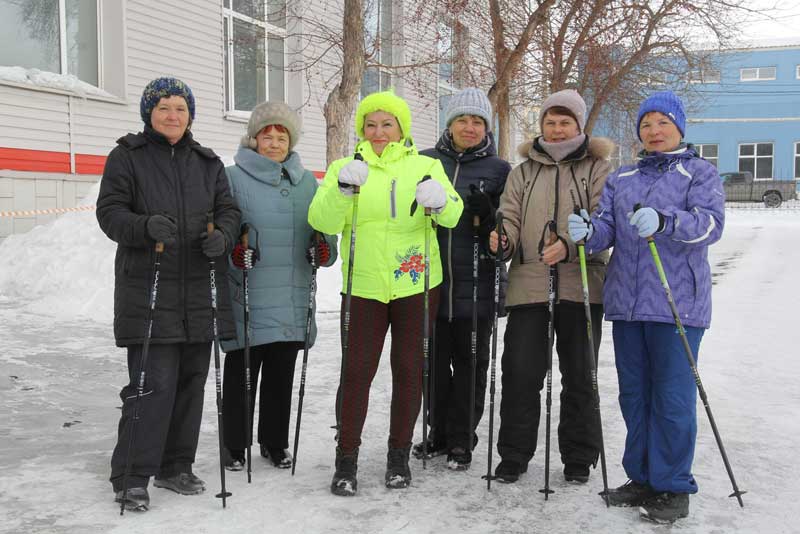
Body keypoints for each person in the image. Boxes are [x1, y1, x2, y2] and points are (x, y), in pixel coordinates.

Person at [568, 90, 725, 523]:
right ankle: (641, 476)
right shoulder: (623, 177)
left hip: (678, 305)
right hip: (628, 304)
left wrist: (667, 221)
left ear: (679, 127)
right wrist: (588, 231)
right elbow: (607, 229)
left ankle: (673, 486)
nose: (653, 131)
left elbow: (711, 226)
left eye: (662, 123)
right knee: (634, 396)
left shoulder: (699, 173)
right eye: (646, 124)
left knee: (672, 398)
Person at [308, 90, 464, 496]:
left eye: (387, 124)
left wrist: (440, 200)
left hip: (415, 283)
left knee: (410, 370)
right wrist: (341, 191)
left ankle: (398, 456)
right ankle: (347, 458)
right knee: (357, 371)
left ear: (401, 129)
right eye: (371, 124)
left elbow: (453, 212)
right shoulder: (346, 165)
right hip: (363, 286)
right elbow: (320, 219)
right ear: (362, 129)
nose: (378, 132)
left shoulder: (426, 165)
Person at [97, 77, 240, 511]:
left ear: (190, 115)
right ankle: (132, 475)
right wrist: (142, 227)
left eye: (180, 108)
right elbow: (110, 212)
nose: (172, 115)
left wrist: (225, 236)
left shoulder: (207, 162)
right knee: (151, 385)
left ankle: (176, 465)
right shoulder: (127, 157)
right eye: (163, 108)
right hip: (150, 289)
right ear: (149, 114)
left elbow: (228, 211)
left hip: (201, 290)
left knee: (191, 384)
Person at [488, 89, 614, 484]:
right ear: (541, 125)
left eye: (565, 122)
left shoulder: (598, 167)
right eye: (550, 122)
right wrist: (502, 239)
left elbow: (603, 218)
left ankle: (578, 458)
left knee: (580, 376)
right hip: (530, 285)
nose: (557, 130)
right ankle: (514, 455)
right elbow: (508, 215)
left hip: (581, 286)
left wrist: (571, 244)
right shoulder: (523, 171)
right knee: (521, 373)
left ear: (579, 125)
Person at [220, 101, 337, 471]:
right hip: (249, 291)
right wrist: (232, 252)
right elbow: (220, 230)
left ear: (291, 140)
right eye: (266, 135)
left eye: (281, 135)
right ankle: (234, 446)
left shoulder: (307, 182)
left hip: (291, 292)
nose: (274, 141)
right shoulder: (231, 177)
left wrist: (323, 248)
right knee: (243, 372)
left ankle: (274, 442)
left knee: (281, 373)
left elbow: (324, 227)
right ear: (253, 140)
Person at [414, 87, 510, 470]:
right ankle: (437, 432)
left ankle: (461, 439)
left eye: (477, 121)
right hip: (430, 282)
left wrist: (489, 219)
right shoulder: (424, 161)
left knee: (471, 365)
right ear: (449, 124)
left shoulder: (500, 170)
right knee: (432, 365)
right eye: (461, 120)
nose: (469, 128)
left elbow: (505, 233)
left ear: (486, 127)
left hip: (477, 282)